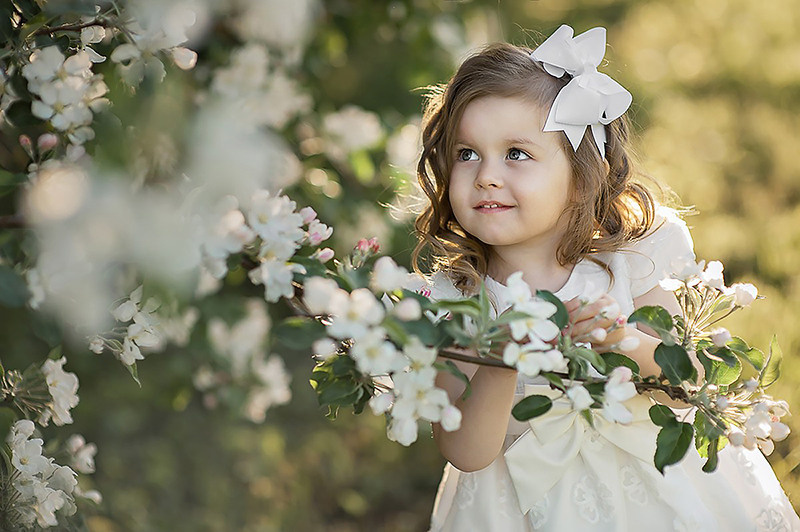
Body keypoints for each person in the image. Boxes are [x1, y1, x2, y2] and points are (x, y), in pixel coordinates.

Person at [410, 24, 800, 531]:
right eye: (467, 153)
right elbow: (465, 450)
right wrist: (502, 359)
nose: (486, 174)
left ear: (580, 173)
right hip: (520, 502)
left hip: (654, 485)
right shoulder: (459, 298)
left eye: (516, 153)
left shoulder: (628, 259)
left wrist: (622, 340)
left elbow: (687, 380)